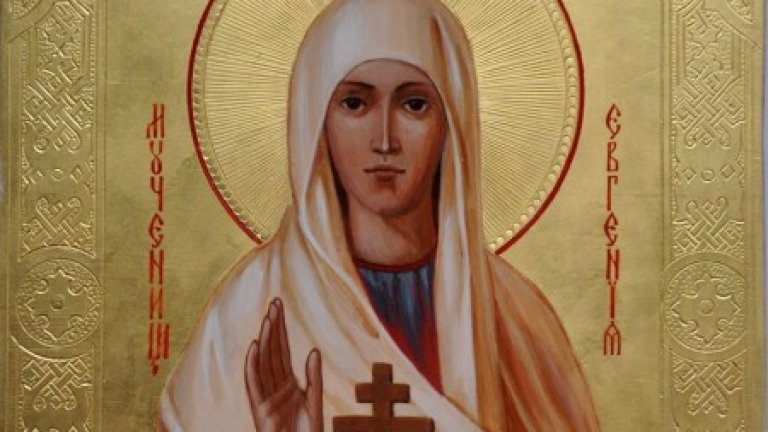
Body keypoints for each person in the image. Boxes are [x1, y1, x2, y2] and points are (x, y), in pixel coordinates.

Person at [158, 0, 601, 430]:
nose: (384, 140)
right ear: (315, 120)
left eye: (414, 105)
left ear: (452, 122)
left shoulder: (518, 320)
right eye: (355, 104)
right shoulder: (247, 311)